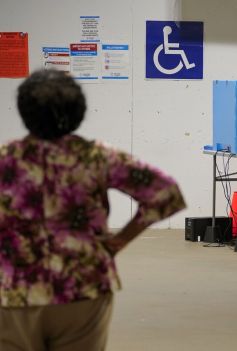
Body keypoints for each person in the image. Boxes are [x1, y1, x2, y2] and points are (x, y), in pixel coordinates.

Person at [0, 69, 186, 350]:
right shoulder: (97, 157)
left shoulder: (5, 159)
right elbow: (165, 193)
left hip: (15, 291)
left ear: (25, 112)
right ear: (78, 111)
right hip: (83, 288)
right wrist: (119, 241)